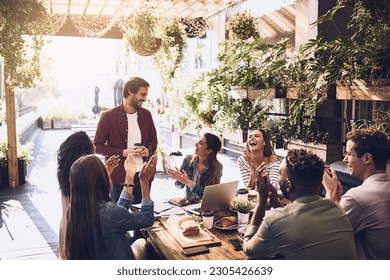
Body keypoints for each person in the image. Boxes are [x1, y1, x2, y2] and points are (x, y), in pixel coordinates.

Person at [243, 148, 358, 260]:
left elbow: (249, 250)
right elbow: (300, 222)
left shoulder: (275, 220)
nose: (278, 179)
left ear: (289, 185)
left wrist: (262, 201)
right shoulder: (337, 210)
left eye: (279, 174)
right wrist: (276, 203)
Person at [60, 154, 158, 260]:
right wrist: (144, 182)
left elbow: (117, 214)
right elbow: (147, 219)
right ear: (101, 178)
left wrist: (129, 177)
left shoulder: (72, 212)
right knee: (142, 242)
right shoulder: (109, 212)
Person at [323, 128, 390, 259]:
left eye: (349, 154)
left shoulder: (356, 198)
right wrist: (338, 201)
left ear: (366, 158)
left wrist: (330, 195)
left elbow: (326, 239)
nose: (345, 159)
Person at [94, 76, 158, 204]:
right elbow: (98, 146)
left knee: (143, 214)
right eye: (142, 94)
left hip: (143, 176)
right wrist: (123, 152)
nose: (145, 99)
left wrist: (148, 149)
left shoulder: (146, 115)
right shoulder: (108, 117)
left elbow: (153, 140)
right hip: (119, 178)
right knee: (120, 216)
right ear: (130, 91)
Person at [56, 131, 120, 255]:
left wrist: (103, 173)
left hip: (66, 225)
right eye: (92, 152)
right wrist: (102, 175)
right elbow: (98, 201)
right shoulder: (80, 173)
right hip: (81, 228)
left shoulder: (66, 172)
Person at [167, 133, 223, 204]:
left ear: (209, 150)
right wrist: (177, 178)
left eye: (200, 143)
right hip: (187, 205)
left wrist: (189, 182)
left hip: (204, 206)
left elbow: (209, 196)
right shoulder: (187, 161)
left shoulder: (217, 167)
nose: (195, 144)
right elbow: (179, 186)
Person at [237, 128, 282, 195]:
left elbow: (273, 188)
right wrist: (253, 172)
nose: (252, 138)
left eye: (257, 136)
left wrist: (255, 165)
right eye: (250, 136)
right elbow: (248, 189)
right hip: (253, 199)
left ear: (264, 142)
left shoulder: (273, 160)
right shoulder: (242, 160)